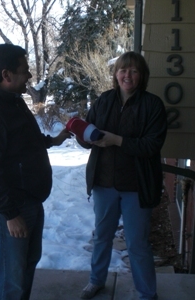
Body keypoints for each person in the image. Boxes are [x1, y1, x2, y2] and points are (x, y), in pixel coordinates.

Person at [0, 44, 71, 300]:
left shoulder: (12, 101)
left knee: (27, 264)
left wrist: (53, 141)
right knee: (13, 277)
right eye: (25, 70)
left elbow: (24, 142)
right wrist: (10, 214)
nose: (30, 77)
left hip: (30, 200)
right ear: (6, 75)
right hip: (11, 207)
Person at [77, 51, 167, 300]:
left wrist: (117, 140)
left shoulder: (153, 105)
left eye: (134, 71)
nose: (127, 75)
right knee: (102, 237)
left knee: (137, 244)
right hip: (104, 183)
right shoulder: (104, 100)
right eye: (123, 70)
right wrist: (81, 134)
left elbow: (151, 146)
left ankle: (147, 293)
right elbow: (90, 134)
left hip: (136, 186)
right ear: (116, 74)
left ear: (142, 76)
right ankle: (96, 281)